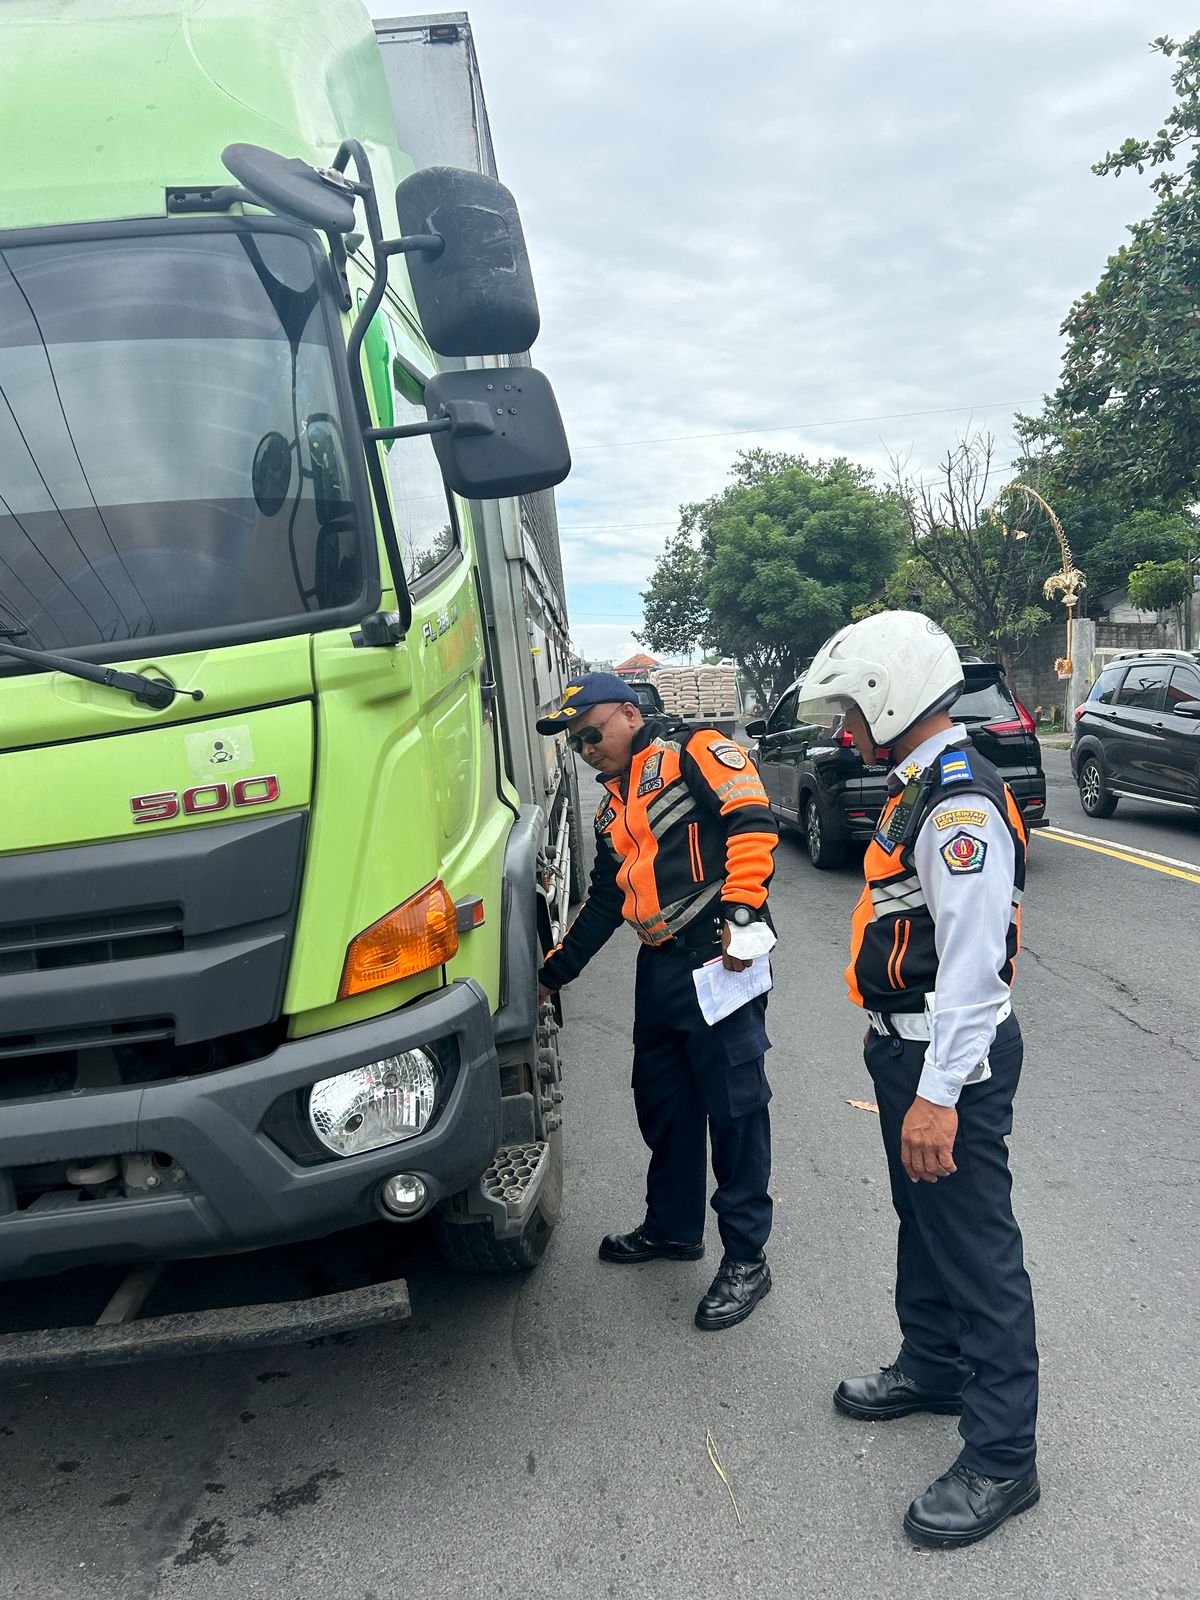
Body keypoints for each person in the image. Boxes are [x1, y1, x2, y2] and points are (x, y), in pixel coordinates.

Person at [797, 612, 1039, 1549]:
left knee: (977, 1247)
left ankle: (1002, 1459)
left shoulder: (959, 803)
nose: (844, 728)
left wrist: (939, 1094)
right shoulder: (915, 788)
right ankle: (933, 1366)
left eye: (854, 707)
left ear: (894, 694)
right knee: (924, 1219)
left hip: (951, 1056)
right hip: (909, 1049)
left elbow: (977, 969)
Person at [535, 672, 779, 1331]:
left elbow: (752, 824)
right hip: (661, 965)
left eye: (592, 732)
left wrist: (742, 914)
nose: (586, 748)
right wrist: (553, 973)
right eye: (575, 743)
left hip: (717, 954)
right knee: (664, 1105)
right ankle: (673, 1228)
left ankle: (747, 1258)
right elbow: (607, 901)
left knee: (735, 1110)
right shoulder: (610, 809)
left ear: (627, 712)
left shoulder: (692, 751)